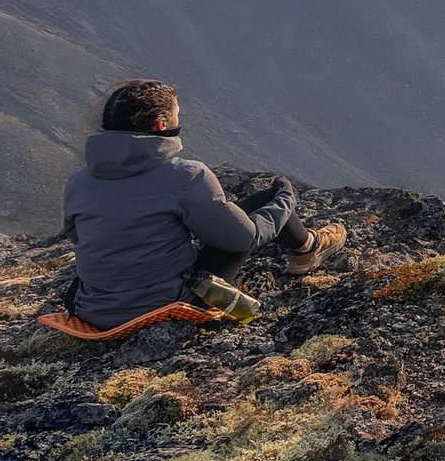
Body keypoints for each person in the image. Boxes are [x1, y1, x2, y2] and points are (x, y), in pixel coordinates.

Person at [61, 79, 344, 328]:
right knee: (264, 201)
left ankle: (307, 247)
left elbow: (77, 236)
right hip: (168, 301)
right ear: (161, 125)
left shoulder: (78, 182)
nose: (179, 120)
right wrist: (285, 197)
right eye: (176, 115)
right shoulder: (186, 175)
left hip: (92, 308)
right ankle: (308, 248)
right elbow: (243, 238)